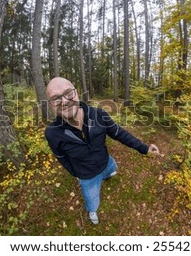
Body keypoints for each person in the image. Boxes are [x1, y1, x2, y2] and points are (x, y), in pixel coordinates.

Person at [44, 77, 160, 225]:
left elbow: (120, 134)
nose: (65, 101)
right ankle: (92, 211)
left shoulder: (98, 115)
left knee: (113, 168)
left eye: (68, 93)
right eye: (56, 98)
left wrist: (144, 148)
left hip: (106, 162)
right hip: (87, 177)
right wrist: (76, 174)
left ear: (77, 92)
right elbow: (61, 157)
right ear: (50, 105)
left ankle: (107, 174)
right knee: (92, 200)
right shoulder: (52, 133)